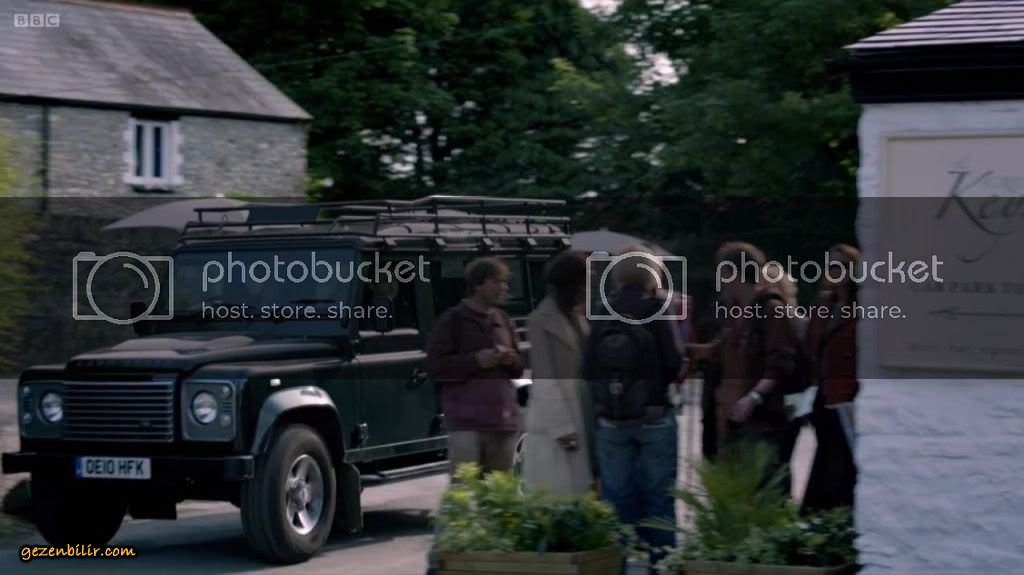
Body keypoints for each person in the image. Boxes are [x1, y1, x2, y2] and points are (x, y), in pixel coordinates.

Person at [582, 247, 683, 561]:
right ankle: (662, 561)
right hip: (654, 415)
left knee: (617, 496)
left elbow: (587, 368)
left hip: (612, 419)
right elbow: (673, 361)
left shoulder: (602, 310)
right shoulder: (657, 308)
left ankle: (622, 561)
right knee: (660, 494)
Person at [690, 242, 798, 495]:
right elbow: (722, 349)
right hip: (729, 418)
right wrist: (689, 350)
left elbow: (781, 363)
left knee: (764, 494)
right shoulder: (735, 311)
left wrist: (754, 397)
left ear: (732, 273)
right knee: (735, 495)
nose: (719, 279)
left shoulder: (772, 309)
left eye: (722, 272)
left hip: (761, 421)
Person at [425, 257, 525, 475]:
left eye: (505, 282)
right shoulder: (452, 320)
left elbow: (519, 368)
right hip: (466, 425)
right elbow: (435, 367)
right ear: (478, 284)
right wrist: (475, 361)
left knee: (500, 491)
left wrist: (511, 359)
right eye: (497, 281)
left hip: (503, 422)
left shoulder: (504, 319)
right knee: (466, 489)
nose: (504, 288)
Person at [522, 251, 596, 497]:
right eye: (586, 281)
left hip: (582, 407)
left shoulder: (577, 316)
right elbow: (544, 378)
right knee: (559, 490)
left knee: (581, 488)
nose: (589, 288)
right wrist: (562, 427)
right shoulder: (540, 320)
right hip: (558, 416)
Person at [801, 244, 860, 512]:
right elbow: (811, 348)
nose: (836, 271)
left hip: (850, 397)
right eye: (832, 266)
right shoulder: (823, 304)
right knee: (825, 459)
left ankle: (840, 518)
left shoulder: (864, 306)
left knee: (843, 464)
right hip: (823, 395)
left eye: (842, 266)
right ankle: (820, 520)